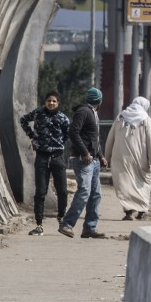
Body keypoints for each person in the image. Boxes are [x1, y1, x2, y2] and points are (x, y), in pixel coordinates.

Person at [20, 91, 71, 236]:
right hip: (42, 156)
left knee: (62, 191)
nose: (51, 103)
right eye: (49, 101)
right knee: (40, 191)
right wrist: (32, 135)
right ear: (45, 102)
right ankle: (39, 225)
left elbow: (67, 134)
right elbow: (23, 120)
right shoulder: (38, 114)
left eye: (54, 101)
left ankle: (61, 218)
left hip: (57, 157)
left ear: (58, 103)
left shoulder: (63, 118)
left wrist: (58, 144)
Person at [60, 87, 108, 239]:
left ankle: (89, 228)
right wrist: (84, 152)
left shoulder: (92, 113)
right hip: (84, 160)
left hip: (94, 160)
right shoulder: (84, 112)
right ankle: (67, 224)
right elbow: (73, 132)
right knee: (84, 191)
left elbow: (94, 138)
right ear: (100, 101)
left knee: (95, 194)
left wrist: (100, 156)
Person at [106, 96, 151, 221]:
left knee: (124, 184)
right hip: (140, 159)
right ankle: (142, 210)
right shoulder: (145, 119)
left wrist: (107, 157)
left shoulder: (120, 117)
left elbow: (110, 138)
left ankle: (128, 212)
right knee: (142, 183)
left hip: (121, 158)